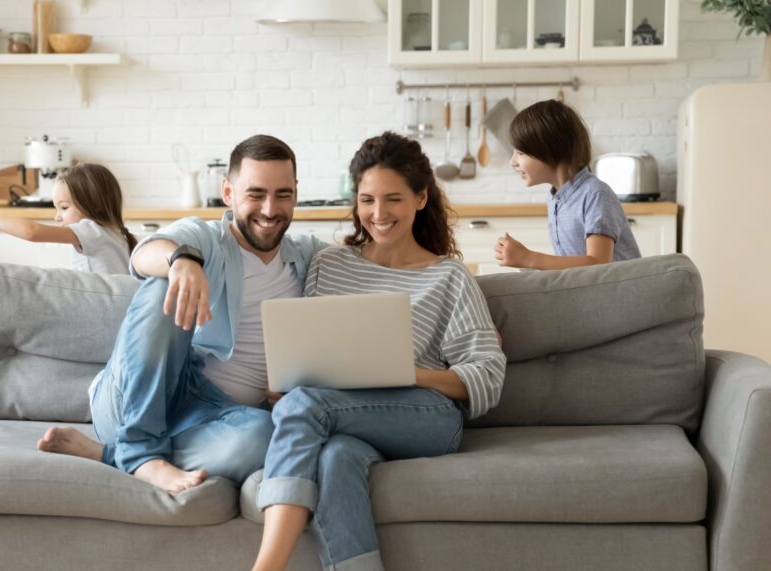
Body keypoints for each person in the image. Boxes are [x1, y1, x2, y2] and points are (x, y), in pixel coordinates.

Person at [252, 132, 506, 571]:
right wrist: (287, 379)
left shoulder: (448, 277)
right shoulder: (331, 264)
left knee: (306, 405)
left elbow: (487, 374)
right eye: (367, 200)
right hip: (342, 416)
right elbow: (310, 345)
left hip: (427, 417)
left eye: (393, 199)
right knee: (335, 458)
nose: (378, 214)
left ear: (421, 198)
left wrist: (409, 372)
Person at [36, 134, 326, 494]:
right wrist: (181, 261)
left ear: (296, 193)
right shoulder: (205, 237)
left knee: (265, 436)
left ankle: (112, 455)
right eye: (255, 194)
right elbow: (143, 255)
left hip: (213, 418)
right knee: (165, 282)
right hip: (143, 394)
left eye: (282, 194)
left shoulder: (308, 257)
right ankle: (142, 450)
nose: (269, 210)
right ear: (228, 192)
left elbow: (365, 271)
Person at [494, 100, 641, 270]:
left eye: (520, 153)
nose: (513, 162)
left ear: (551, 149)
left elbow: (599, 264)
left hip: (619, 294)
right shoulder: (555, 198)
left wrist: (528, 258)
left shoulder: (594, 194)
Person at [0, 163, 136, 274]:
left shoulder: (92, 230)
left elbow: (31, 232)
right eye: (56, 208)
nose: (57, 217)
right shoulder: (116, 234)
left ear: (93, 204)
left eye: (64, 208)